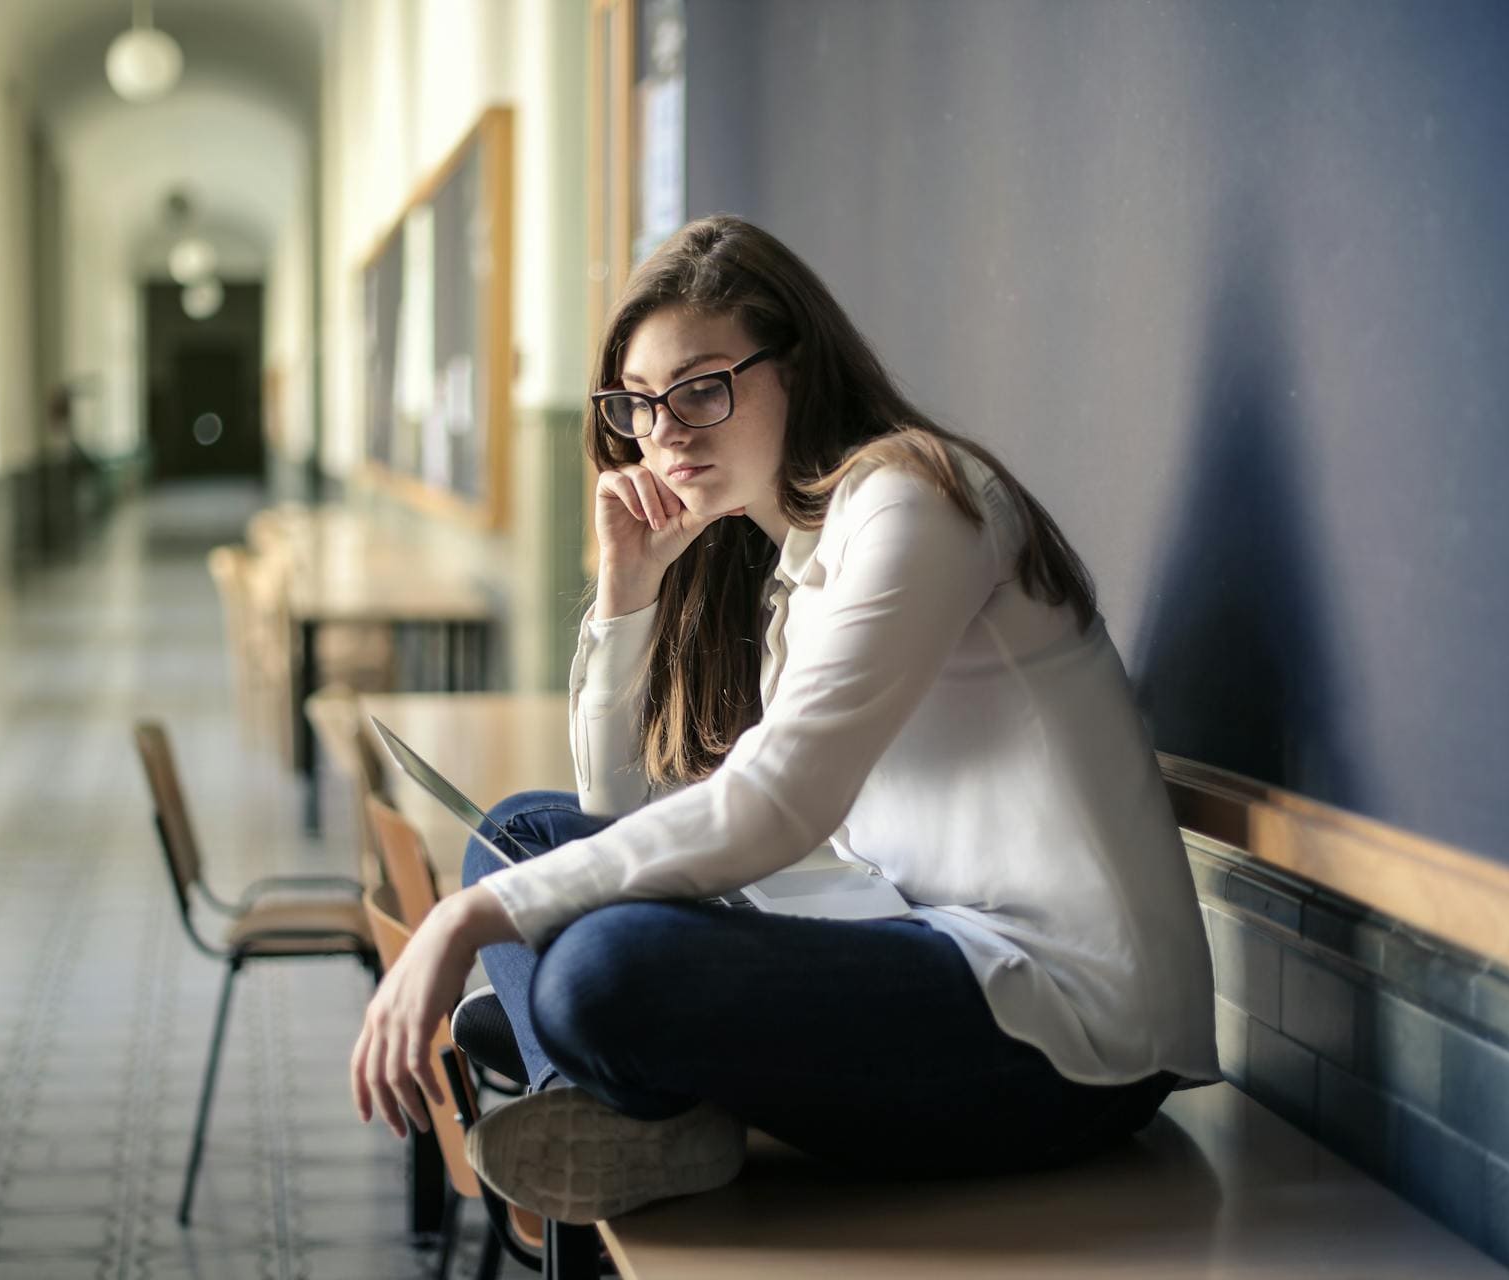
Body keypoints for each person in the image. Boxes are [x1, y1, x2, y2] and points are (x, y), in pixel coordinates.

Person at [349, 214, 1220, 1225]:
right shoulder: (794, 567)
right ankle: (618, 1108)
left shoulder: (916, 502)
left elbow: (780, 802)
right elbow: (612, 807)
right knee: (521, 841)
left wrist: (466, 924)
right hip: (919, 942)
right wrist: (627, 596)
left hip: (1071, 1033)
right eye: (638, 403)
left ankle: (606, 1088)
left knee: (596, 964)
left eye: (703, 387)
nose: (666, 431)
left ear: (799, 368)